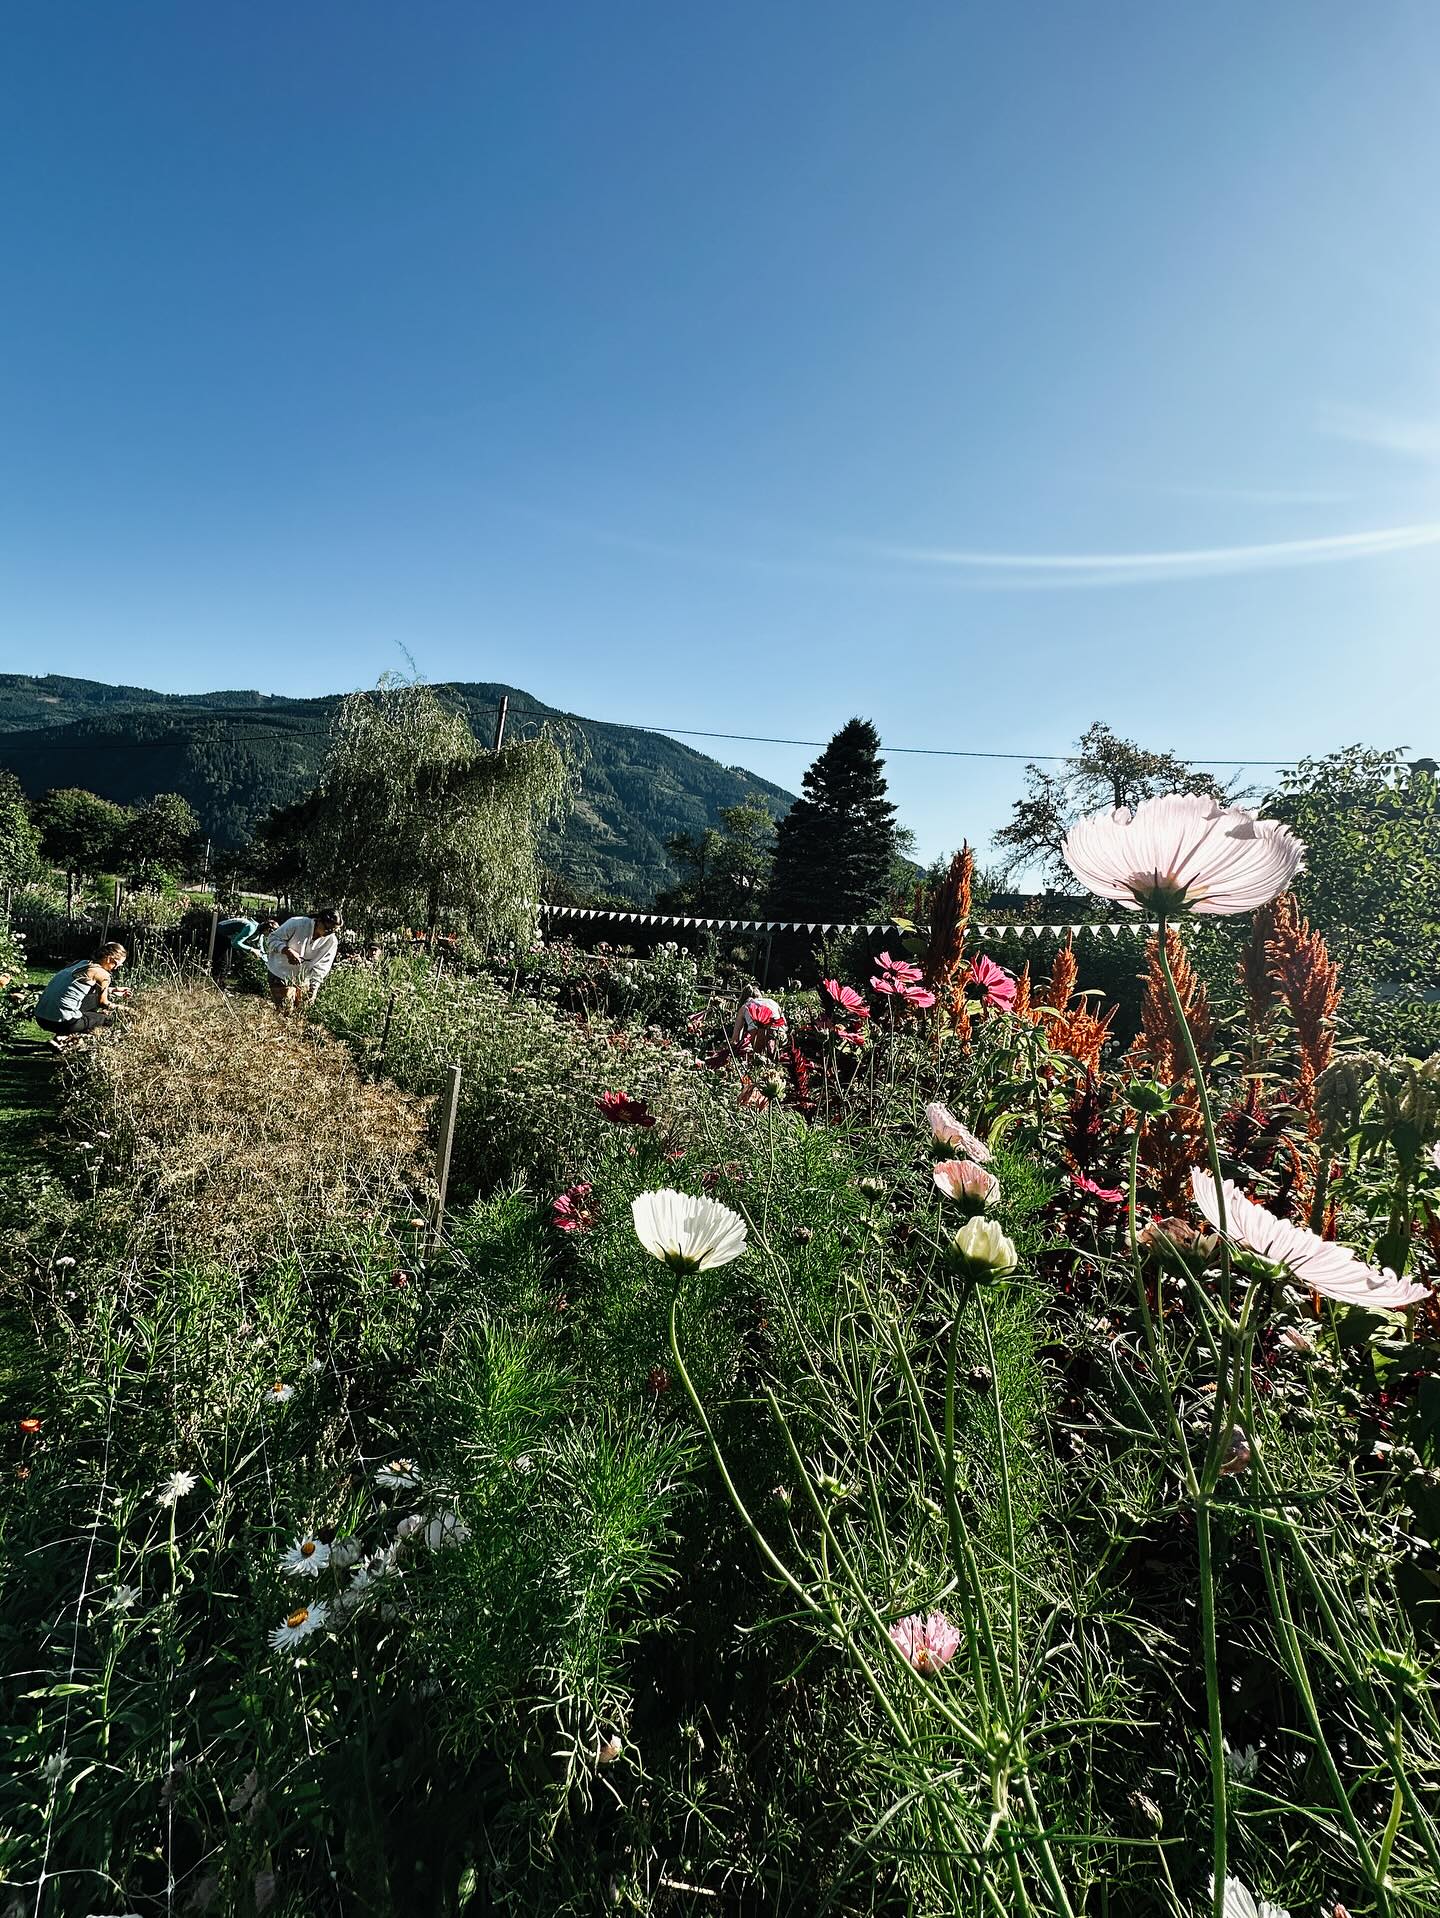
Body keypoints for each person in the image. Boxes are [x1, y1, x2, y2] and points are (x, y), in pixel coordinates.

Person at [35, 942, 129, 1050]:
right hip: (62, 1022)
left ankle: (61, 1038)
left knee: (86, 1004)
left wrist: (113, 990)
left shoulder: (79, 963)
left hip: (41, 1017)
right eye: (116, 964)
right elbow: (103, 1003)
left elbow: (71, 988)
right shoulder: (103, 974)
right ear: (108, 959)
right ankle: (66, 1040)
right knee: (107, 1019)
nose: (116, 968)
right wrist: (126, 1010)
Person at [264, 907, 342, 1015]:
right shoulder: (297, 923)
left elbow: (322, 967)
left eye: (333, 931)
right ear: (319, 920)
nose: (329, 933)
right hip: (280, 972)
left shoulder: (331, 941)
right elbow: (272, 939)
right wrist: (287, 951)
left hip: (303, 979)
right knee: (284, 1012)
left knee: (300, 1013)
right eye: (327, 928)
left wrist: (313, 989)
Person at [211, 907, 278, 987]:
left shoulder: (260, 934)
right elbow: (236, 943)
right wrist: (252, 950)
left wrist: (268, 964)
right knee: (223, 964)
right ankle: (217, 987)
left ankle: (221, 986)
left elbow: (261, 951)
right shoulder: (251, 928)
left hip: (229, 937)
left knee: (228, 965)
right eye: (271, 933)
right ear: (267, 929)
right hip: (220, 932)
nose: (270, 936)